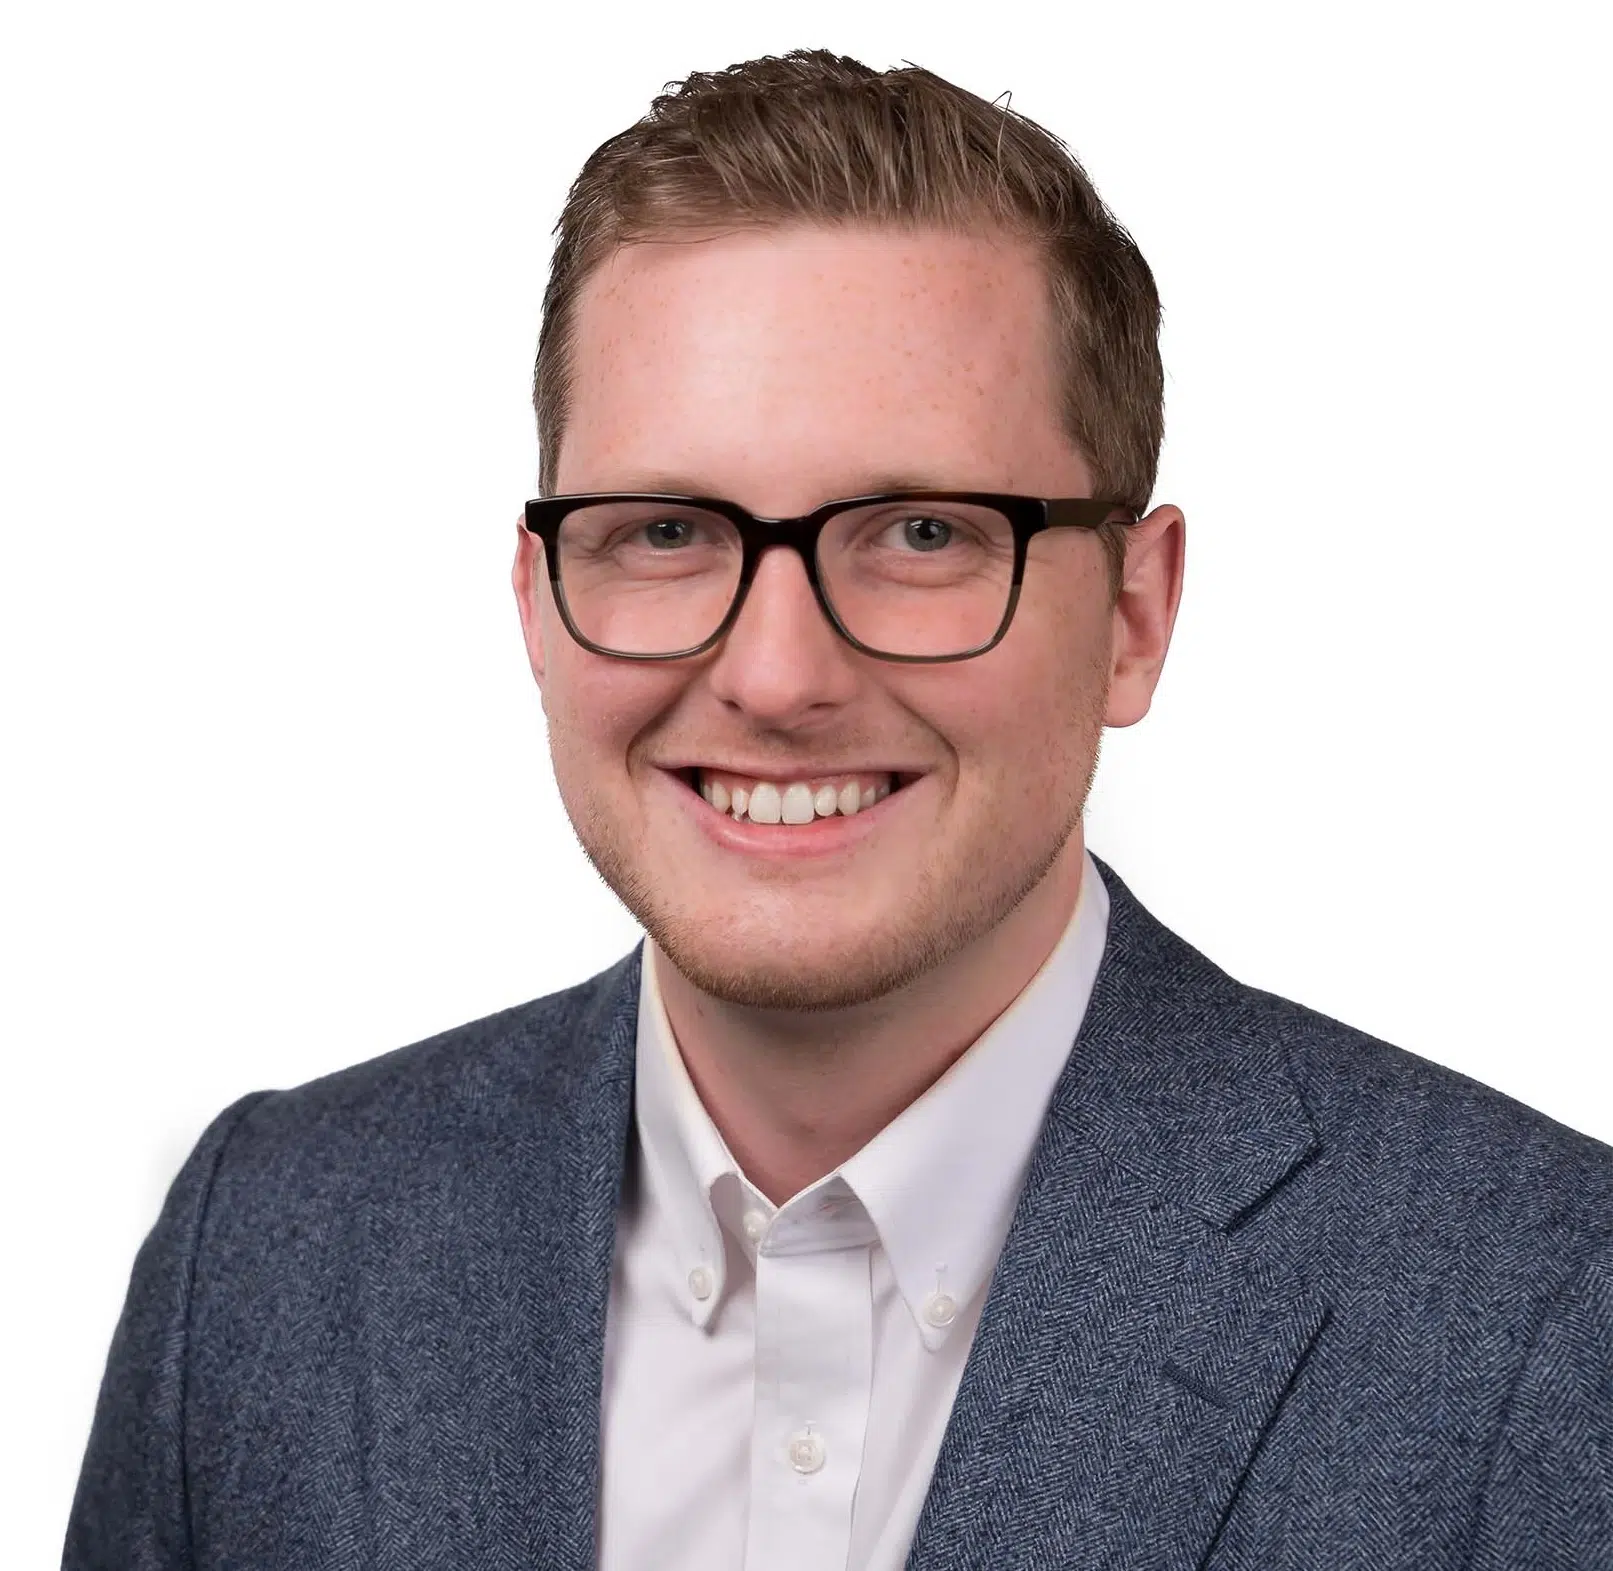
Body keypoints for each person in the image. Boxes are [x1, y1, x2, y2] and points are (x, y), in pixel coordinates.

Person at [66, 48, 1612, 1571]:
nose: (777, 674)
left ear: (1134, 616)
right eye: (665, 530)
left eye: (923, 532)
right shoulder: (263, 1251)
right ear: (536, 603)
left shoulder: (1544, 1318)